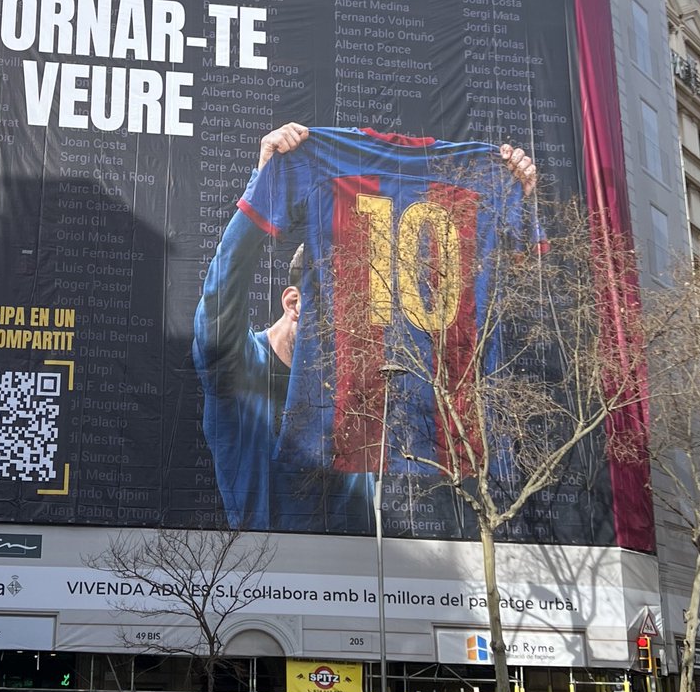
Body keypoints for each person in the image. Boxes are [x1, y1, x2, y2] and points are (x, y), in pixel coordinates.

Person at [193, 122, 537, 532]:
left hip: (359, 579)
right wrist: (264, 186)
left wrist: (511, 192)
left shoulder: (358, 366)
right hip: (267, 578)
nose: (352, 324)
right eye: (334, 307)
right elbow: (221, 293)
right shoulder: (237, 364)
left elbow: (487, 325)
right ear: (294, 302)